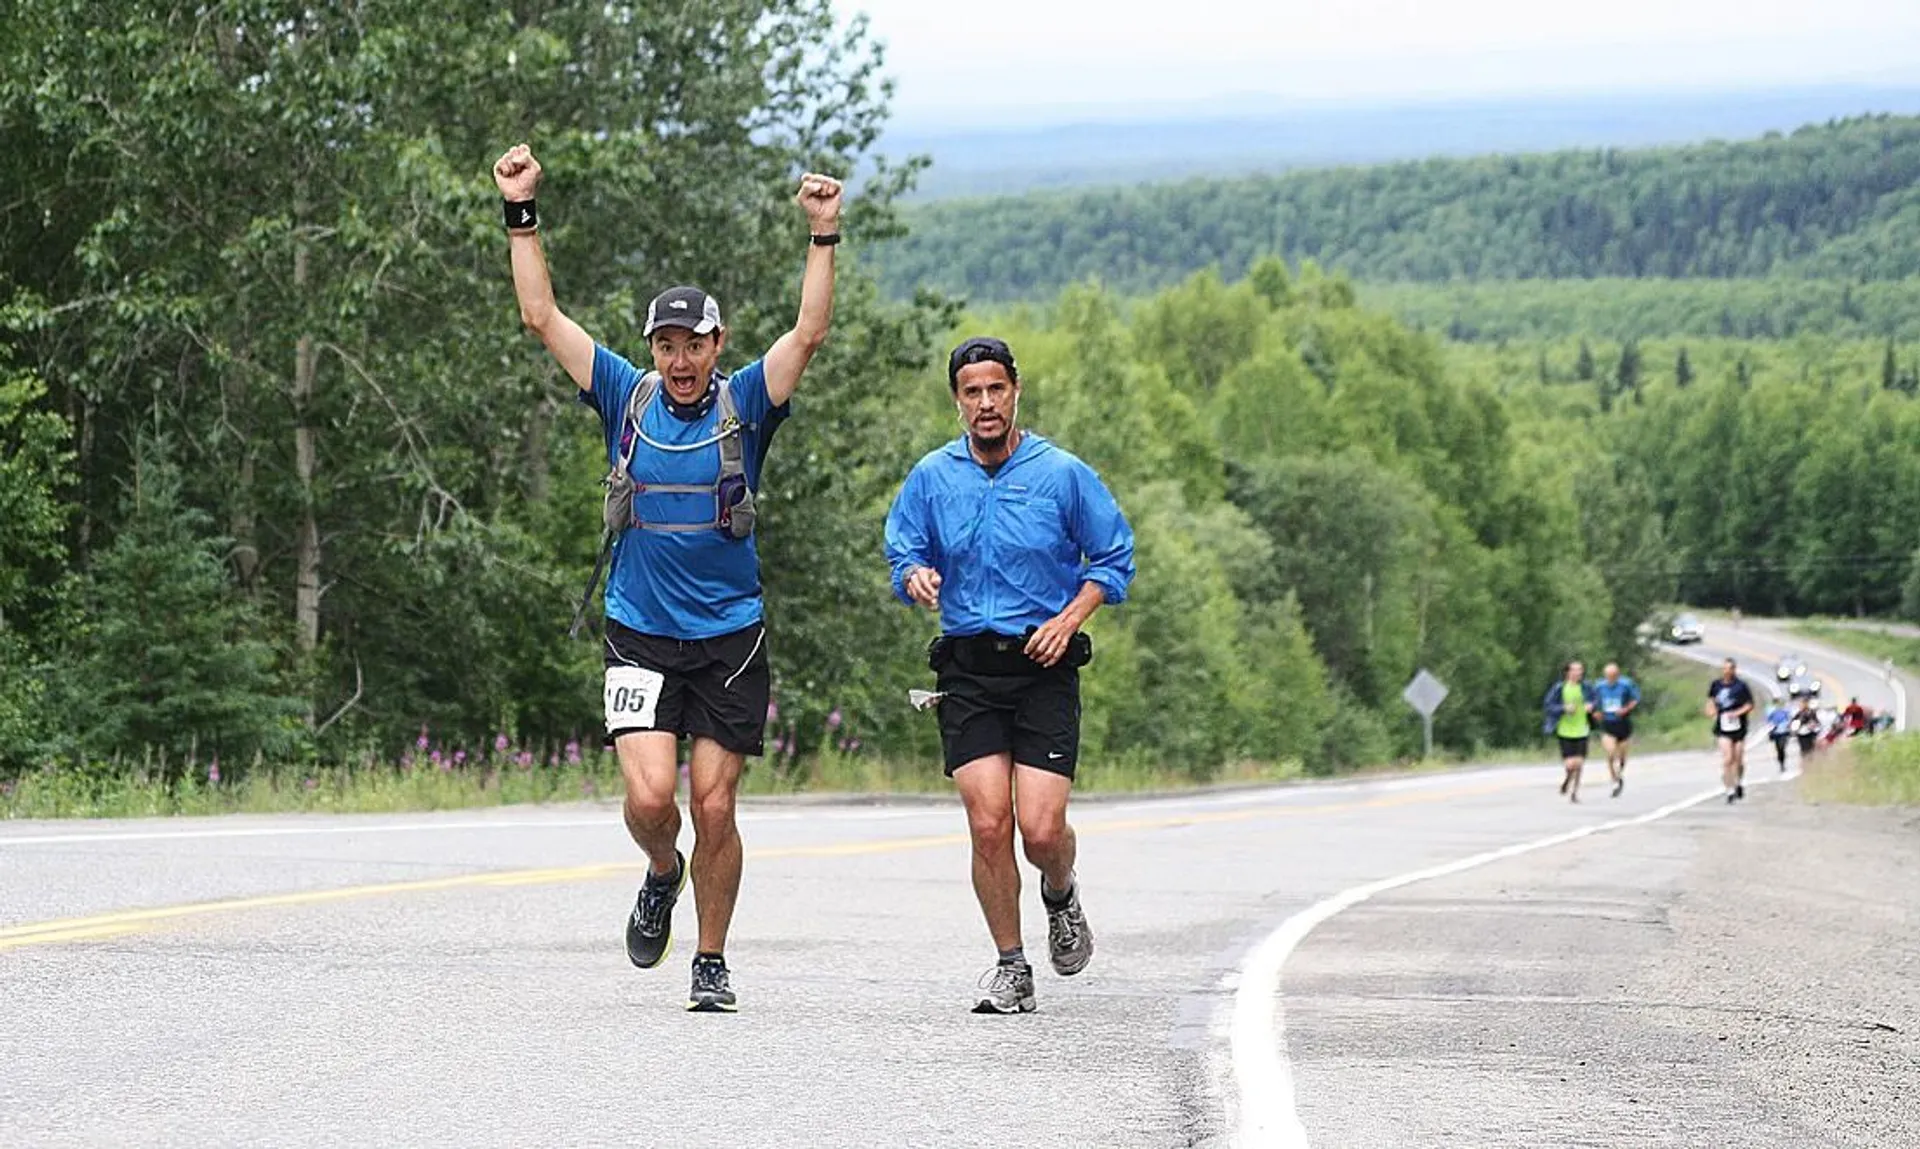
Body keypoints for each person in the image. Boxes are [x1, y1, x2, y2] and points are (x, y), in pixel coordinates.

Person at [494, 143, 844, 1012]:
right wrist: (520, 208)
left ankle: (711, 958)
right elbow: (541, 315)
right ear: (650, 349)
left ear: (718, 344)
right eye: (665, 344)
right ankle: (661, 870)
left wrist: (823, 233)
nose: (678, 358)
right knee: (654, 799)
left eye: (692, 343)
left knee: (715, 803)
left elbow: (809, 333)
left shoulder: (747, 403)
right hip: (640, 628)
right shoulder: (625, 395)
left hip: (730, 636)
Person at [884, 336, 1136, 1015]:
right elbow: (901, 547)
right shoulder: (933, 477)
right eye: (973, 392)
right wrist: (914, 575)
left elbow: (1113, 560)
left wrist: (1072, 617)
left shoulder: (1061, 474)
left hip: (1043, 664)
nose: (986, 403)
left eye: (997, 389)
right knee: (989, 822)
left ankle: (1060, 892)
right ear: (957, 400)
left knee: (1041, 829)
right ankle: (1010, 964)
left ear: (1016, 391)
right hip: (968, 667)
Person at [1541, 661, 1597, 803]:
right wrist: (1564, 708)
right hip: (1565, 729)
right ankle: (1567, 780)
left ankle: (1574, 792)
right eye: (1575, 670)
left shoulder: (1586, 687)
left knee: (1579, 763)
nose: (1579, 673)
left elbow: (1596, 699)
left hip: (1582, 728)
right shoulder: (1559, 688)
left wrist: (1592, 705)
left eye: (1580, 670)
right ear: (1568, 672)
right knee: (1570, 764)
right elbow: (1548, 706)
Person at [1705, 659, 1755, 803]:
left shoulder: (1741, 686)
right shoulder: (1716, 685)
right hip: (1723, 726)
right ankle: (1729, 789)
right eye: (1725, 668)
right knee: (1727, 759)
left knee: (1738, 758)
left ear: (1734, 670)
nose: (1727, 671)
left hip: (1738, 726)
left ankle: (1738, 781)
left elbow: (1750, 704)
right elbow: (1710, 700)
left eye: (1730, 668)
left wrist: (1738, 713)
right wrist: (1710, 710)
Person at [1590, 662, 1641, 798]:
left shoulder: (1626, 684)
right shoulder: (1599, 686)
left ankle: (1619, 773)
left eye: (1613, 676)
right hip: (1607, 723)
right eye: (1608, 676)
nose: (1611, 678)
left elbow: (1635, 699)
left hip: (1623, 724)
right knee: (1611, 752)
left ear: (1618, 675)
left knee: (1622, 756)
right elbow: (1592, 702)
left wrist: (1625, 709)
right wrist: (1595, 712)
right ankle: (1614, 779)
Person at [1764, 696, 1792, 773]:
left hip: (1784, 731)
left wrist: (1788, 725)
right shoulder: (1770, 710)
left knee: (1782, 746)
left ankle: (1782, 761)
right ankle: (1781, 763)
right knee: (1779, 749)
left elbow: (1789, 718)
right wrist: (1771, 727)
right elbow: (1768, 721)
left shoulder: (1785, 710)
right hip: (1776, 732)